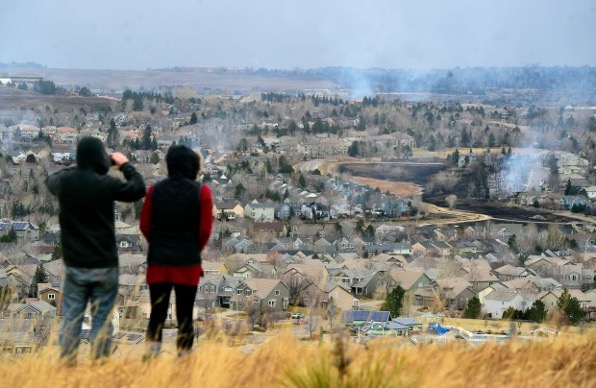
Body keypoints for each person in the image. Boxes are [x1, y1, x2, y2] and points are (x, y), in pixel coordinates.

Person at [45, 136, 146, 364]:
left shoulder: (66, 183)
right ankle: (100, 368)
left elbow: (51, 179)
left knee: (71, 318)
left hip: (75, 265)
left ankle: (67, 368)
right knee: (102, 319)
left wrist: (79, 166)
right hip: (105, 264)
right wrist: (123, 164)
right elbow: (138, 188)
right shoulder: (106, 183)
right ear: (100, 157)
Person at [140, 144, 213, 359]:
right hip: (187, 264)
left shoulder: (155, 190)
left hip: (159, 263)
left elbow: (144, 225)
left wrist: (158, 243)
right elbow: (205, 230)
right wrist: (193, 249)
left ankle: (150, 362)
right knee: (185, 317)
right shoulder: (202, 192)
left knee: (157, 316)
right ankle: (184, 365)